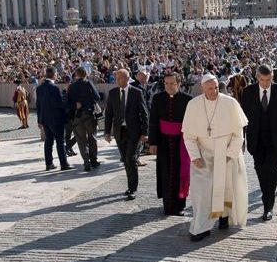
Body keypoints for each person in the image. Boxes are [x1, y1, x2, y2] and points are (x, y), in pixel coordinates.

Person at [182, 74, 248, 242]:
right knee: (202, 193)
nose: (214, 91)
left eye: (216, 88)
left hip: (226, 153)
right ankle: (201, 227)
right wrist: (195, 156)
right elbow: (188, 135)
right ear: (202, 88)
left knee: (226, 188)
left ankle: (224, 217)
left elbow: (238, 135)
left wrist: (229, 154)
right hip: (203, 155)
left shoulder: (230, 103)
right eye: (210, 88)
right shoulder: (193, 105)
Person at [240, 64, 277, 222]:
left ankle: (268, 207)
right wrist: (242, 140)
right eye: (262, 80)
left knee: (271, 173)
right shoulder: (247, 92)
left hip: (275, 141)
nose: (265, 83)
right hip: (256, 141)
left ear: (272, 78)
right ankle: (266, 196)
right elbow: (242, 119)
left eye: (268, 80)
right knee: (261, 173)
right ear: (257, 77)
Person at [148, 72, 192, 216]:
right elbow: (153, 121)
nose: (169, 86)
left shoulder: (187, 100)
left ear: (179, 84)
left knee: (181, 172)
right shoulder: (157, 98)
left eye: (172, 83)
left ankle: (180, 206)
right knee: (165, 172)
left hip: (181, 142)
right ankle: (167, 205)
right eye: (166, 83)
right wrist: (153, 142)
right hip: (163, 142)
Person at [104, 69, 149, 200]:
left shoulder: (136, 92)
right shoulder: (113, 93)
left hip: (134, 132)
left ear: (128, 79)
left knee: (131, 158)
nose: (117, 81)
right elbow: (109, 114)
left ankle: (132, 188)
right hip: (119, 132)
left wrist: (145, 133)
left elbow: (144, 114)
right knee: (125, 159)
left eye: (120, 78)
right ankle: (130, 185)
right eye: (116, 78)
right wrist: (107, 132)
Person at [35, 68, 73, 171]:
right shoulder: (54, 87)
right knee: (60, 142)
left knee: (48, 142)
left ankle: (49, 164)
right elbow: (59, 103)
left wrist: (39, 120)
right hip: (56, 118)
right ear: (54, 74)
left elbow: (38, 105)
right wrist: (71, 104)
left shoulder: (39, 88)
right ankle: (64, 164)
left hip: (45, 119)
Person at [66, 66, 101, 171]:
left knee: (81, 140)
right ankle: (93, 160)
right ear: (86, 74)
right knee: (92, 138)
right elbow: (97, 97)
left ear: (76, 75)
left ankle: (86, 162)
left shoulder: (71, 86)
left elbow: (67, 102)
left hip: (77, 116)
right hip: (88, 114)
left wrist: (76, 105)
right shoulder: (88, 83)